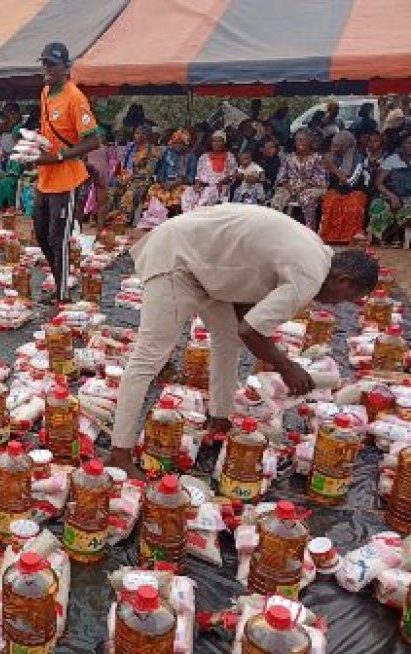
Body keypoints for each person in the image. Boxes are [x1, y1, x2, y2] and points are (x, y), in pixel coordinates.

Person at [107, 205, 378, 478]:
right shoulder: (309, 275)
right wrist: (286, 367)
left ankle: (219, 418)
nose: (335, 305)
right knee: (148, 358)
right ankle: (119, 452)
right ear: (344, 280)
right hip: (178, 258)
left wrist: (271, 351)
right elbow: (250, 330)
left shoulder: (320, 254)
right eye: (343, 298)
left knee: (228, 338)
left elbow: (243, 315)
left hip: (206, 265)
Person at [31, 42, 100, 305]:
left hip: (67, 178)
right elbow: (48, 133)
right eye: (44, 63)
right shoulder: (45, 92)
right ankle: (61, 281)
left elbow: (93, 141)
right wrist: (33, 150)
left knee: (57, 237)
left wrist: (58, 156)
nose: (46, 68)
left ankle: (62, 295)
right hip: (45, 176)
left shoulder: (75, 98)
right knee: (40, 232)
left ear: (66, 68)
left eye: (52, 64)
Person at [271, 128, 327, 229]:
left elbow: (319, 180)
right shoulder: (289, 157)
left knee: (307, 198)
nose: (299, 143)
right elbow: (281, 177)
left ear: (310, 141)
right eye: (297, 140)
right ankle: (274, 229)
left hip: (312, 187)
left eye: (302, 140)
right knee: (277, 198)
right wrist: (289, 188)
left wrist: (301, 188)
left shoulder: (318, 158)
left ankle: (310, 231)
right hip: (290, 187)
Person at [319, 130, 366, 244]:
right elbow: (322, 176)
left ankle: (350, 238)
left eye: (336, 146)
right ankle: (330, 237)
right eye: (332, 145)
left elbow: (351, 182)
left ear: (345, 146)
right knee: (330, 201)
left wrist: (333, 167)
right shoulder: (334, 156)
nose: (332, 148)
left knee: (353, 204)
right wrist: (326, 165)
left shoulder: (358, 158)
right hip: (337, 189)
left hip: (355, 190)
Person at [369, 133, 411, 244]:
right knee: (378, 206)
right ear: (402, 145)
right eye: (408, 143)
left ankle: (389, 235)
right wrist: (393, 197)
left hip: (408, 198)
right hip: (389, 195)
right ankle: (379, 239)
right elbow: (378, 183)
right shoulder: (392, 160)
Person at [113, 124, 161, 221]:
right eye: (135, 133)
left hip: (142, 180)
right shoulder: (131, 147)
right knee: (111, 190)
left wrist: (132, 176)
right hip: (126, 177)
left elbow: (149, 171)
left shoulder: (152, 151)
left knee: (131, 193)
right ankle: (110, 217)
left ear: (146, 135)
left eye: (138, 133)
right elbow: (124, 164)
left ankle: (122, 219)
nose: (135, 136)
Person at [182, 130, 237, 208]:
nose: (216, 144)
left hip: (220, 187)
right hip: (203, 186)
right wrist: (197, 184)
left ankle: (198, 215)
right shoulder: (204, 157)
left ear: (224, 143)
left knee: (208, 194)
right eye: (214, 141)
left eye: (219, 141)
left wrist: (221, 182)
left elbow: (232, 175)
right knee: (188, 192)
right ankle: (189, 216)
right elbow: (198, 174)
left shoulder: (230, 157)